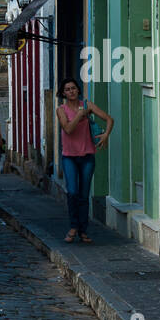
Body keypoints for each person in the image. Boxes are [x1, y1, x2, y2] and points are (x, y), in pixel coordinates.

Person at [56, 78, 113, 244]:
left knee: (84, 194)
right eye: (67, 89)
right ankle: (74, 226)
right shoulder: (61, 110)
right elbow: (68, 129)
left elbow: (109, 119)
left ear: (78, 90)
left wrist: (106, 134)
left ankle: (83, 230)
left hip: (87, 155)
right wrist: (80, 115)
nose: (71, 91)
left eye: (73, 88)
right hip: (69, 157)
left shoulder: (88, 104)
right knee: (72, 192)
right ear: (63, 93)